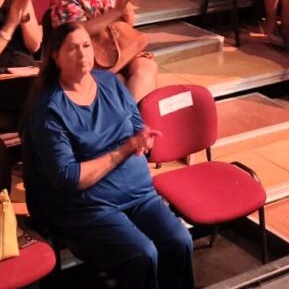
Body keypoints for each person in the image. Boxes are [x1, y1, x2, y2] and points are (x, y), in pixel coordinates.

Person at [23, 22, 194, 289]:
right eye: (72, 49)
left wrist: (142, 138)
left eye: (86, 46)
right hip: (89, 208)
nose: (83, 55)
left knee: (179, 240)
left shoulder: (109, 82)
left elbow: (135, 121)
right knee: (143, 254)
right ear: (55, 56)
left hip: (139, 195)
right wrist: (124, 150)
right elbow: (69, 177)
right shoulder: (50, 109)